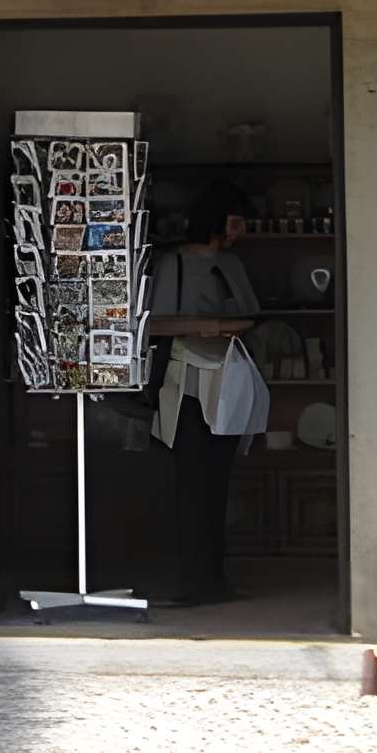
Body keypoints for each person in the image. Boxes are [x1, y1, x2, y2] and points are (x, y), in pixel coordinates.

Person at [147, 189, 261, 606]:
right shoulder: (172, 263)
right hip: (184, 382)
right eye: (235, 221)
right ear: (214, 219)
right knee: (191, 486)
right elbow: (154, 323)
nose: (241, 231)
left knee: (218, 483)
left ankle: (215, 578)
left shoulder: (230, 264)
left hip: (227, 378)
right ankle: (193, 580)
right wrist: (205, 327)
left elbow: (251, 314)